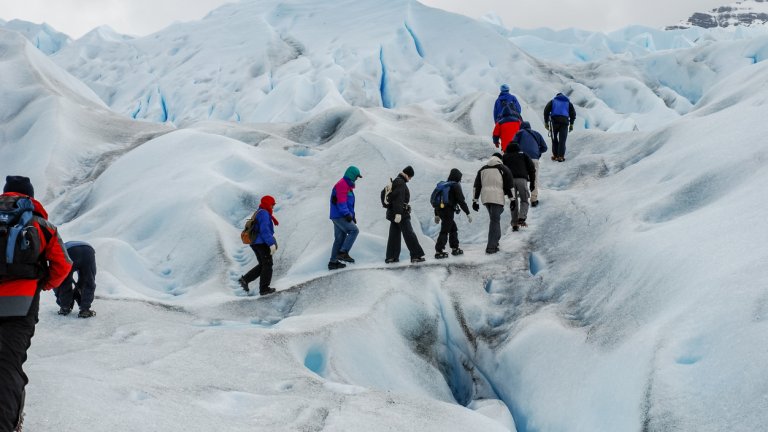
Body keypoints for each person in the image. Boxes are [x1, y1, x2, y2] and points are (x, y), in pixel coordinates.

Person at [0, 176, 72, 432]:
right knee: (7, 366)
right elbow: (63, 265)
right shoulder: (43, 225)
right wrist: (44, 284)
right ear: (30, 196)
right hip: (21, 303)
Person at [472, 154, 514, 254]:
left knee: (494, 219)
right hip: (497, 198)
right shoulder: (503, 168)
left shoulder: (482, 169)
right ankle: (491, 247)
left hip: (486, 199)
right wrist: (512, 199)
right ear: (500, 159)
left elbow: (476, 186)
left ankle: (496, 241)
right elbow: (509, 185)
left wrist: (475, 201)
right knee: (494, 220)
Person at [238, 195, 279, 295]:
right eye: (272, 204)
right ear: (268, 204)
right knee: (268, 264)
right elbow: (265, 231)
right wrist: (271, 243)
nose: (273, 206)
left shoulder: (260, 212)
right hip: (261, 243)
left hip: (255, 243)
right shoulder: (264, 214)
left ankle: (245, 280)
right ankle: (264, 289)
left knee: (263, 264)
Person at [385, 166, 425, 264]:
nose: (410, 179)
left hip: (393, 212)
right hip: (400, 213)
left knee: (394, 235)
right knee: (409, 234)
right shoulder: (400, 182)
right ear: (407, 175)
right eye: (410, 177)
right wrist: (398, 213)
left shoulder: (396, 181)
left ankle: (392, 257)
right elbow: (399, 199)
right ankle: (416, 255)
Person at [433, 169, 472, 259]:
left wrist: (436, 214)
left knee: (453, 228)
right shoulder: (455, 186)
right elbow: (461, 201)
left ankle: (455, 247)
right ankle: (439, 251)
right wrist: (468, 213)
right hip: (448, 211)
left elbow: (437, 201)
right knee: (445, 230)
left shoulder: (445, 185)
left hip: (441, 210)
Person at [328, 166, 362, 270]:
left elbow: (348, 203)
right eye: (357, 176)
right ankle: (343, 252)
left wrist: (352, 216)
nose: (357, 179)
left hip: (339, 215)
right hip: (339, 215)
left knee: (339, 239)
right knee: (354, 230)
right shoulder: (342, 184)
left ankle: (333, 262)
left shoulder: (348, 186)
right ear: (352, 175)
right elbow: (341, 202)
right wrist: (347, 214)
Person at [54, 241, 97, 318]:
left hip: (69, 251)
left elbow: (58, 282)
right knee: (88, 280)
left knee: (64, 281)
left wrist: (62, 302)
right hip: (88, 250)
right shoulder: (63, 246)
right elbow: (86, 281)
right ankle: (85, 310)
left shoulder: (61, 249)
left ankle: (65, 308)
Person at [510, 121, 548, 206]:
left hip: (522, 158)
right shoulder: (537, 134)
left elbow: (513, 144)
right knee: (534, 178)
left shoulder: (519, 133)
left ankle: (522, 194)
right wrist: (537, 152)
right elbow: (545, 148)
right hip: (534, 159)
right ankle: (534, 199)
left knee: (522, 177)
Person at [502, 143, 536, 231]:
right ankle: (521, 218)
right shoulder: (523, 155)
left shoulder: (505, 157)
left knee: (513, 201)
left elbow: (501, 170)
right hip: (522, 179)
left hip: (510, 181)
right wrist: (532, 182)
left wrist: (504, 186)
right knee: (524, 199)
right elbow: (532, 169)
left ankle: (514, 223)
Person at [543, 92, 576, 162]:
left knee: (554, 139)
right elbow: (573, 114)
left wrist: (546, 122)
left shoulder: (552, 101)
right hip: (564, 122)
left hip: (554, 122)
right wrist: (571, 124)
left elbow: (546, 111)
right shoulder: (568, 103)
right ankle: (560, 156)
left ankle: (555, 156)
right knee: (562, 140)